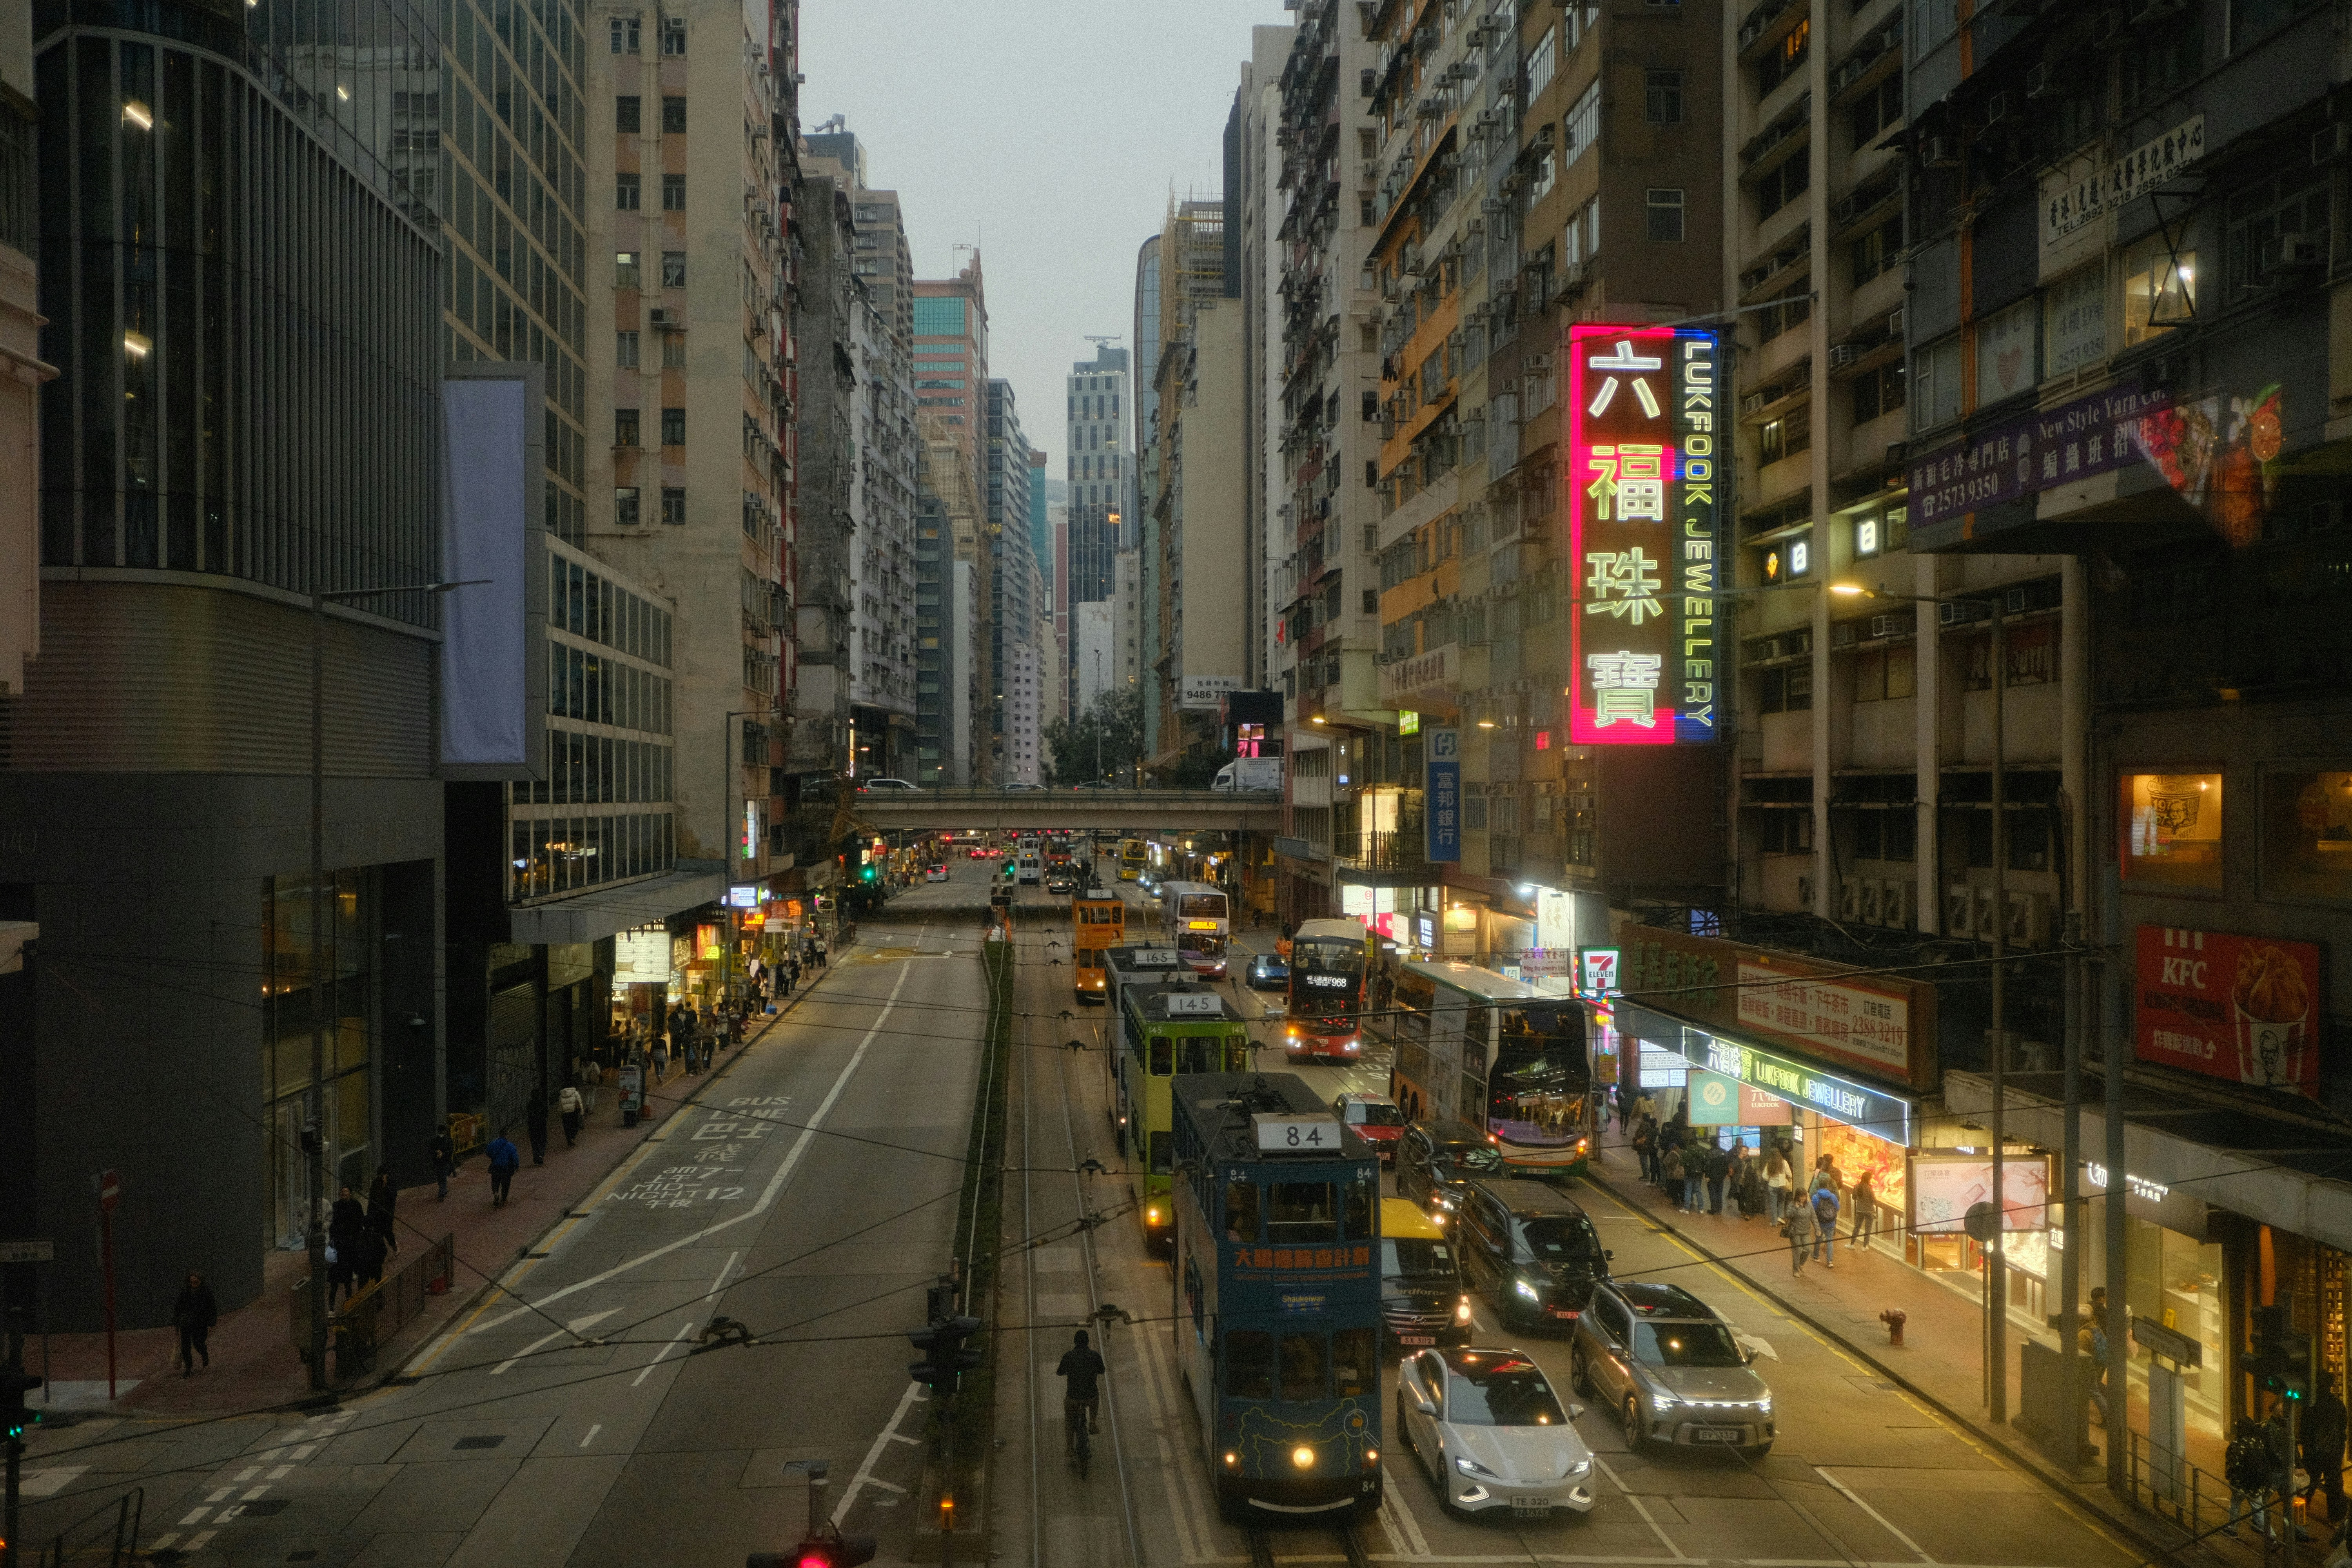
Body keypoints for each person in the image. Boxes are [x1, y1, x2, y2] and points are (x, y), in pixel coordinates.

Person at [2307, 1372, 2350, 1529]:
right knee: (2334, 1485)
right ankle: (2335, 1518)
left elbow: (2306, 1430)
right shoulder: (2338, 1405)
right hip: (2332, 1453)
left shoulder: (2312, 1404)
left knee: (2309, 1483)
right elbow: (2342, 1431)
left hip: (2316, 1452)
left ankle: (2300, 1513)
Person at [1056, 1329, 1107, 1456]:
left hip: (1073, 1396)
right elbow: (1102, 1371)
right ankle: (1093, 1423)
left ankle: (1070, 1449)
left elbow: (1059, 1372)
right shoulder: (1095, 1356)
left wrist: (1068, 1372)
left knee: (1069, 1421)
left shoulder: (1068, 1356)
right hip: (1091, 1395)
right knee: (1096, 1398)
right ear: (1088, 1342)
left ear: (1075, 1342)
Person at [173, 1271, 218, 1376]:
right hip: (186, 1324)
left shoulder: (206, 1293)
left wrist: (211, 1324)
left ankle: (204, 1353)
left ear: (200, 1282)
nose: (193, 1285)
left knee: (198, 1343)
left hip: (200, 1324)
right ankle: (188, 1368)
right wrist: (176, 1324)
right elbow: (178, 1309)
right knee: (185, 1347)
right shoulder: (185, 1293)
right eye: (191, 1282)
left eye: (196, 1282)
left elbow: (212, 1309)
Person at [1782, 1183, 1818, 1276]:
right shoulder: (1792, 1204)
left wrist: (1818, 1229)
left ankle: (1801, 1264)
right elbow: (1788, 1215)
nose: (1803, 1199)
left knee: (1808, 1249)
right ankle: (1796, 1270)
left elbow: (1814, 1217)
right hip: (1795, 1232)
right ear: (1797, 1197)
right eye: (1801, 1197)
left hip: (1806, 1232)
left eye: (1805, 1197)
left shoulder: (1809, 1205)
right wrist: (1796, 1209)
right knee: (1798, 1251)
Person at [367, 1165, 399, 1255]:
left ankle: (394, 1245)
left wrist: (386, 1186)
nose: (381, 1177)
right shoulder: (375, 1183)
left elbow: (393, 1195)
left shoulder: (391, 1182)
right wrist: (370, 1212)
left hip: (388, 1212)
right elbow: (372, 1199)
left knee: (388, 1231)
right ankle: (381, 1253)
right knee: (378, 1233)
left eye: (383, 1175)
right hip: (377, 1212)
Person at [486, 1128, 521, 1208]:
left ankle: (496, 1193)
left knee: (495, 1182)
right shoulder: (510, 1146)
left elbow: (488, 1152)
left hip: (496, 1167)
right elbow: (515, 1157)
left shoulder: (493, 1144)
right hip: (507, 1168)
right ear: (507, 1135)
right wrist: (517, 1167)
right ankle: (503, 1199)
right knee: (506, 1184)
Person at [1809, 1183, 1841, 1267]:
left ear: (1819, 1186)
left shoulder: (1816, 1197)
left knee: (1818, 1239)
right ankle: (1830, 1261)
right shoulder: (1833, 1196)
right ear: (1827, 1186)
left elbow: (1813, 1210)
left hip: (1820, 1223)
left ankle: (1816, 1256)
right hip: (1831, 1223)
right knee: (1830, 1240)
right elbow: (1838, 1208)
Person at [1762, 1144, 1793, 1225]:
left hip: (1772, 1186)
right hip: (1782, 1185)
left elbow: (1765, 1176)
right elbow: (1790, 1174)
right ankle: (1780, 1217)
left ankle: (1774, 1222)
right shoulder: (1784, 1163)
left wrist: (1770, 1179)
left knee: (1773, 1204)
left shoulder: (1769, 1164)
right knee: (1781, 1202)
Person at [1849, 1170, 1878, 1253]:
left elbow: (1854, 1198)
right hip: (1870, 1211)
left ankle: (1852, 1244)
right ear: (1868, 1179)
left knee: (1857, 1227)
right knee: (1868, 1229)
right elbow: (1874, 1200)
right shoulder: (1869, 1188)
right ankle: (1865, 1246)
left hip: (1860, 1210)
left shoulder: (1857, 1186)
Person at [1704, 1140, 1732, 1216]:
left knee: (1712, 1193)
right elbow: (1727, 1164)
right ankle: (1720, 1209)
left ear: (1711, 1144)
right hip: (1721, 1177)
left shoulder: (1709, 1153)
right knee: (1719, 1193)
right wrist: (1726, 1174)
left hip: (1712, 1177)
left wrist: (1707, 1176)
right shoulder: (1724, 1152)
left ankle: (1714, 1210)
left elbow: (1708, 1166)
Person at [429, 1123, 455, 1201]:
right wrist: (443, 1154)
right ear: (445, 1131)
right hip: (446, 1162)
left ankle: (442, 1191)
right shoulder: (449, 1140)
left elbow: (430, 1150)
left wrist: (436, 1154)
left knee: (440, 1177)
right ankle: (442, 1192)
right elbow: (451, 1151)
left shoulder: (434, 1140)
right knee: (443, 1177)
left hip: (437, 1162)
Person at [525, 1088, 549, 1166]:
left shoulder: (530, 1105)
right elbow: (546, 1114)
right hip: (542, 1125)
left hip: (533, 1126)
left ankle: (536, 1157)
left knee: (534, 1142)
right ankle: (541, 1154)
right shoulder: (543, 1104)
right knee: (543, 1141)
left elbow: (529, 1115)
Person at [1632, 1116, 1658, 1184]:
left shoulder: (1644, 1126)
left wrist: (1636, 1140)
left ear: (1643, 1118)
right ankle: (1646, 1176)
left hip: (1643, 1146)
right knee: (1645, 1160)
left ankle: (1646, 1176)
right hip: (1647, 1147)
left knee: (1643, 1161)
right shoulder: (1653, 1128)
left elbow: (1640, 1135)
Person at [1661, 1145, 1687, 1212]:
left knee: (1673, 1188)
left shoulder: (1672, 1153)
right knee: (1682, 1187)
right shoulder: (1685, 1152)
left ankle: (1676, 1200)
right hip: (1682, 1174)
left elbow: (1666, 1162)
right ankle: (1683, 1199)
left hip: (1673, 1174)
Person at [559, 1082, 584, 1147]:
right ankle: (573, 1137)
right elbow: (580, 1103)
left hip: (566, 1114)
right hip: (574, 1113)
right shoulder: (575, 1093)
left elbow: (560, 1106)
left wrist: (561, 1113)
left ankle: (569, 1139)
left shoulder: (562, 1095)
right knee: (575, 1125)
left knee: (567, 1127)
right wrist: (581, 1112)